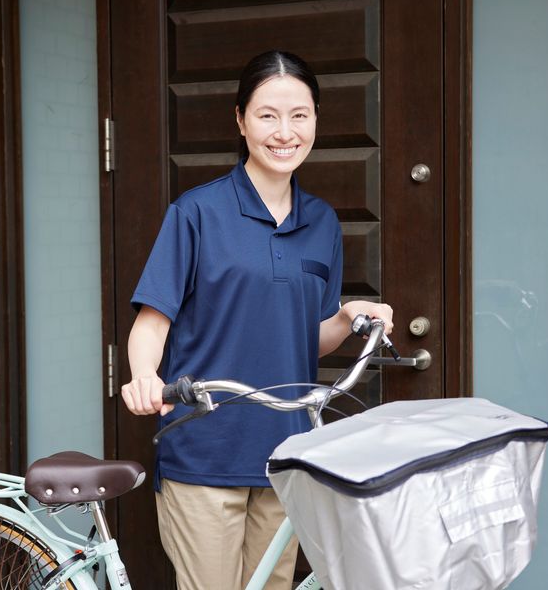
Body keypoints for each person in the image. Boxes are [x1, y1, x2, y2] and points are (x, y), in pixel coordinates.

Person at [121, 50, 394, 590]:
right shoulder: (196, 213)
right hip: (204, 453)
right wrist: (144, 376)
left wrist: (346, 316)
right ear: (241, 120)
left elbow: (306, 341)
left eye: (300, 115)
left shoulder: (322, 223)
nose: (285, 132)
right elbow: (152, 323)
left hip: (286, 456)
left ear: (316, 118)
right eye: (268, 115)